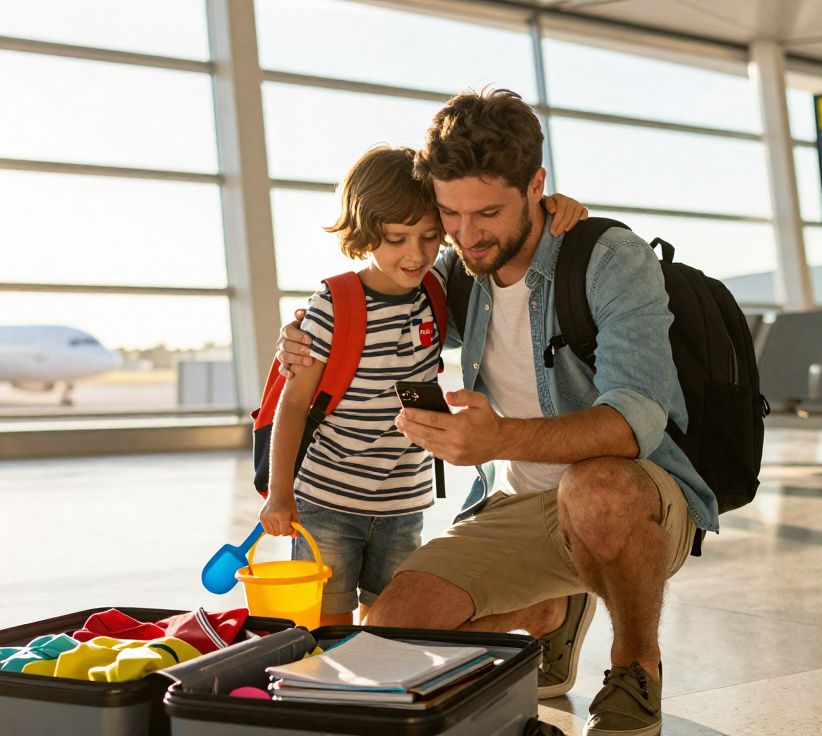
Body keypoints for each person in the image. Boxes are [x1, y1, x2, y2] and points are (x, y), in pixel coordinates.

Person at [275, 90, 719, 736]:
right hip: (514, 505)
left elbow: (634, 420)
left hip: (633, 495)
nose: (466, 235)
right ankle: (545, 616)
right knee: (388, 629)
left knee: (594, 488)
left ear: (537, 186)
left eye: (487, 212)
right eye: (449, 214)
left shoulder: (608, 259)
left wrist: (498, 437)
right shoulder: (460, 271)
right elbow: (389, 302)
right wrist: (305, 336)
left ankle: (634, 666)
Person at [259, 144, 589, 627]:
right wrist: (279, 492)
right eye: (396, 239)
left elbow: (511, 243)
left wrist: (557, 207)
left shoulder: (437, 292)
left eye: (430, 236)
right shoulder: (333, 304)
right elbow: (294, 406)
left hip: (403, 504)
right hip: (328, 503)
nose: (415, 254)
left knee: (388, 630)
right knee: (326, 631)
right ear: (365, 233)